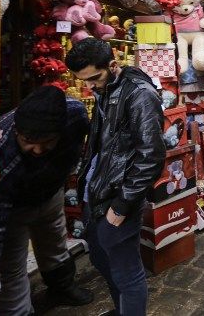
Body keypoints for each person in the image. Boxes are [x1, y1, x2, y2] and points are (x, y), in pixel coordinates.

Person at [0, 86, 93, 315]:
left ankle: (62, 287)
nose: (38, 150)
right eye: (29, 140)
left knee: (55, 243)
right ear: (17, 131)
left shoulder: (76, 115)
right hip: (13, 209)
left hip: (50, 194)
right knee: (10, 268)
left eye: (47, 141)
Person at [65, 38, 166, 316]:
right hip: (97, 192)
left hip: (117, 198)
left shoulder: (139, 94)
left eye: (93, 78)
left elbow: (152, 156)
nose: (89, 86)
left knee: (127, 272)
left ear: (113, 65)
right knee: (102, 260)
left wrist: (122, 206)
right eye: (82, 80)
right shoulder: (105, 88)